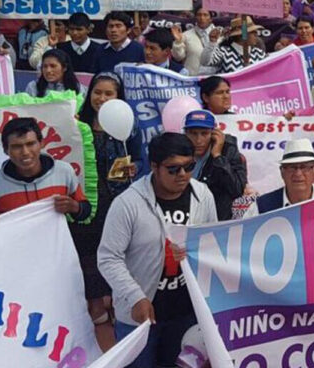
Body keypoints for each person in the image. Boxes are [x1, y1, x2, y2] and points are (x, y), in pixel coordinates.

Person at [98, 133, 217, 368]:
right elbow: (108, 258)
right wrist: (136, 298)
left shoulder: (202, 195)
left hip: (186, 312)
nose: (183, 175)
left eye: (189, 167)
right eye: (173, 169)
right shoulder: (127, 204)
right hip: (140, 316)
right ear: (154, 167)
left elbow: (211, 244)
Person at [76, 72, 143, 350]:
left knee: (117, 253)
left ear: (119, 98)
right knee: (89, 254)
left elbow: (140, 158)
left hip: (119, 201)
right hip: (88, 203)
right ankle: (95, 303)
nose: (101, 99)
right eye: (97, 92)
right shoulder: (76, 125)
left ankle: (117, 301)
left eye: (109, 94)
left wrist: (135, 168)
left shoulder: (130, 126)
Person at [0, 117, 92, 224]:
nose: (25, 152)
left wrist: (75, 207)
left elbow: (85, 211)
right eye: (17, 147)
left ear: (42, 143)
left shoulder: (64, 171)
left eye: (30, 144)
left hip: (56, 248)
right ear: (5, 150)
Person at [244, 139, 314, 217]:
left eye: (304, 167)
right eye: (292, 167)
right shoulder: (261, 207)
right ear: (282, 172)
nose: (298, 173)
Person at [182, 110, 247, 221]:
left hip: (217, 220)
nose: (198, 140)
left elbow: (237, 189)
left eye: (204, 133)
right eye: (193, 133)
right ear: (185, 133)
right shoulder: (178, 149)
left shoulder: (228, 150)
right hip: (185, 215)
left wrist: (218, 156)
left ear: (214, 134)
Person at [201, 17, 267, 74]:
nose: (256, 35)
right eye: (253, 32)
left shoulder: (259, 53)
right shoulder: (223, 52)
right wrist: (212, 43)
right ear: (242, 36)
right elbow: (205, 62)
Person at [172, 6, 219, 75]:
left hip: (216, 78)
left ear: (211, 19)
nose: (202, 18)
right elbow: (178, 57)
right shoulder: (186, 35)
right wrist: (178, 42)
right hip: (193, 79)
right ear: (195, 17)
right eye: (199, 15)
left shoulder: (220, 35)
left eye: (205, 15)